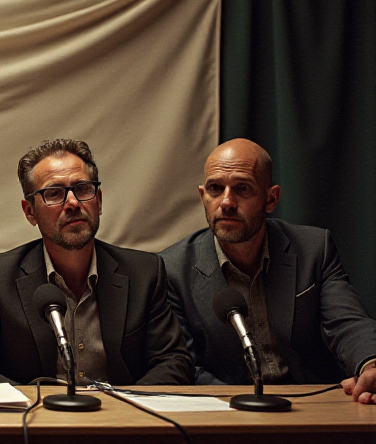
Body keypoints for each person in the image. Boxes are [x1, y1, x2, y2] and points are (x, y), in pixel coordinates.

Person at [0, 139, 193, 386]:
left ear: (99, 201)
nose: (72, 203)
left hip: (120, 420)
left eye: (82, 189)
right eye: (54, 193)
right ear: (30, 212)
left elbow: (174, 362)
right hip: (37, 420)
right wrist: (27, 400)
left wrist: (131, 407)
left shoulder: (144, 273)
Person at [160, 138, 376, 403]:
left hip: (309, 403)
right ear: (203, 196)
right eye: (215, 188)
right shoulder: (171, 269)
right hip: (225, 408)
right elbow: (184, 365)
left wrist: (370, 364)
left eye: (242, 188)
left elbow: (347, 321)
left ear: (271, 198)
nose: (226, 202)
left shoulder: (314, 249)